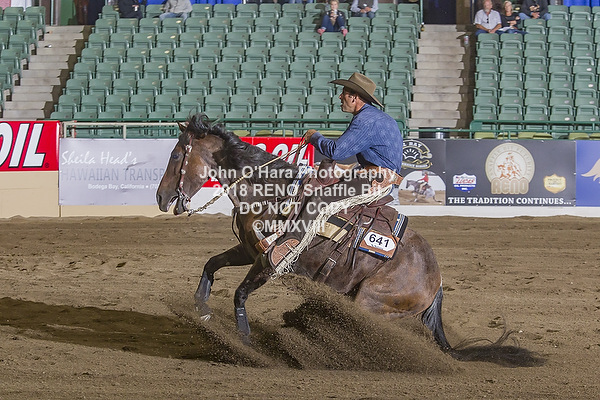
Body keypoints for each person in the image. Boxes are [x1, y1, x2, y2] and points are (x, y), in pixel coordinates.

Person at [305, 72, 404, 186]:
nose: (340, 97)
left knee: (317, 194)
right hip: (386, 180)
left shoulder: (365, 120)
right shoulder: (382, 117)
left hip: (376, 181)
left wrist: (313, 136)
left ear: (354, 98)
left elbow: (336, 152)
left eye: (343, 93)